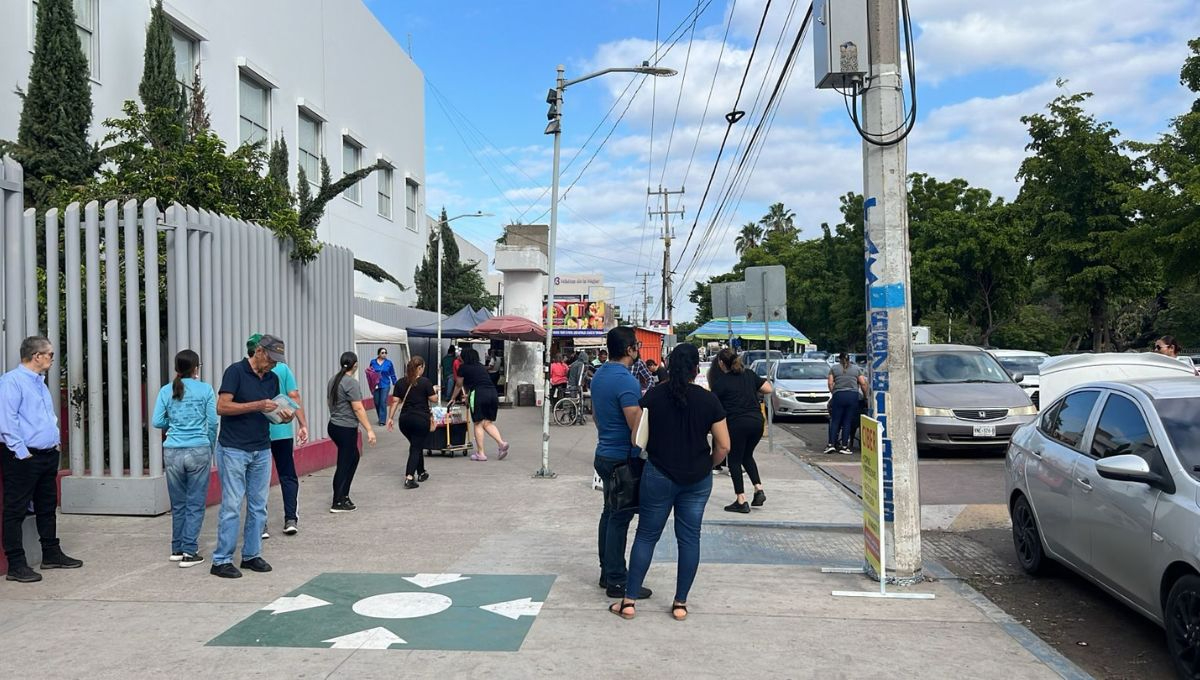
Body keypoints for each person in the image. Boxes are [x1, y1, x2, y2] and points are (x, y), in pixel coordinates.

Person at [611, 343, 730, 621]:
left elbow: (636, 438)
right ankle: (680, 604)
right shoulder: (708, 400)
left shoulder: (653, 395)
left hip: (659, 474)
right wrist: (708, 464)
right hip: (697, 479)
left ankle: (628, 602)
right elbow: (723, 445)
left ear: (670, 364)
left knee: (646, 535)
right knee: (689, 539)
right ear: (695, 369)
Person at [0, 336, 82, 583]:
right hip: (23, 457)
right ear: (37, 356)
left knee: (47, 506)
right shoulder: (11, 382)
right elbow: (7, 420)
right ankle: (16, 563)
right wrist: (22, 452)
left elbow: (45, 417)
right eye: (50, 354)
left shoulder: (39, 383)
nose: (52, 359)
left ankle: (51, 553)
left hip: (46, 455)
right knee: (15, 510)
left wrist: (54, 444)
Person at [212, 334, 291, 579]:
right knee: (232, 504)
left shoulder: (273, 379)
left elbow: (273, 410)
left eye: (278, 360)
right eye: (271, 358)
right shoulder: (235, 372)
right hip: (234, 447)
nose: (274, 364)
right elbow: (222, 407)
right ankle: (221, 560)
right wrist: (256, 405)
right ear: (259, 352)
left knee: (259, 505)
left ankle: (251, 555)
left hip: (262, 447)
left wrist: (284, 416)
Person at [591, 327, 651, 600]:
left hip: (603, 453)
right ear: (629, 349)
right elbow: (635, 427)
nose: (638, 349)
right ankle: (617, 580)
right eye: (637, 345)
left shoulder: (600, 374)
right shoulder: (626, 381)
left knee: (609, 513)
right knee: (619, 517)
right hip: (621, 458)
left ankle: (607, 572)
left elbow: (596, 416)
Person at [152, 349, 218, 568]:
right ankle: (190, 551)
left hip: (172, 451)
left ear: (176, 368)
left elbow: (157, 421)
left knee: (178, 503)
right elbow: (213, 422)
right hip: (198, 448)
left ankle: (177, 548)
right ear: (196, 368)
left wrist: (174, 424)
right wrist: (210, 445)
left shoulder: (165, 391)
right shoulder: (205, 389)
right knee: (196, 503)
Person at [706, 349, 772, 513]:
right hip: (757, 423)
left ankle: (741, 500)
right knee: (747, 456)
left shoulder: (721, 382)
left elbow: (711, 403)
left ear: (721, 363)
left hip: (737, 424)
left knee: (734, 460)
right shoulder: (749, 374)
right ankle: (758, 489)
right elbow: (768, 389)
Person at [327, 352, 378, 512]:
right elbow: (358, 407)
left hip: (334, 425)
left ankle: (344, 495)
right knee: (344, 462)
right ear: (355, 365)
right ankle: (338, 501)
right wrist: (369, 429)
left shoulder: (334, 379)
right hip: (345, 428)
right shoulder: (351, 383)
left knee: (353, 457)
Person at [266, 349, 309, 538]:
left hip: (259, 434)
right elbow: (294, 396)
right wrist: (303, 424)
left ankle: (261, 525)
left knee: (258, 480)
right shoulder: (282, 369)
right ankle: (290, 518)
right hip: (282, 430)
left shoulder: (249, 372)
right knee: (288, 475)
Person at [388, 356, 438, 489]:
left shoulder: (400, 382)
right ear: (420, 367)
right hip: (420, 419)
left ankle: (421, 472)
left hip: (404, 420)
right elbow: (433, 399)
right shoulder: (425, 382)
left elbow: (394, 402)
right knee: (416, 447)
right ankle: (409, 477)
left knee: (416, 444)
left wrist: (390, 418)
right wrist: (435, 390)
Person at [450, 348, 509, 461]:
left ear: (464, 357)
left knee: (478, 423)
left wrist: (453, 398)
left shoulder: (463, 367)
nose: (459, 357)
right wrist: (468, 396)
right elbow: (477, 381)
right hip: (492, 393)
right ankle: (501, 443)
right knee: (487, 422)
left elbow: (458, 385)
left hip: (479, 394)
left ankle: (480, 453)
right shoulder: (481, 366)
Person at [827, 352, 868, 455]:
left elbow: (830, 383)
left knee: (835, 421)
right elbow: (863, 383)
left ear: (839, 359)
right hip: (852, 396)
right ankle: (845, 446)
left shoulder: (834, 368)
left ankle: (831, 445)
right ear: (849, 359)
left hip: (839, 396)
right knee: (847, 422)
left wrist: (834, 392)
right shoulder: (856, 369)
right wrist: (865, 396)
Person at [368, 348, 396, 427]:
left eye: (385, 352)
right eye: (382, 352)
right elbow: (370, 372)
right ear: (379, 354)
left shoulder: (389, 363)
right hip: (376, 385)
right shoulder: (373, 362)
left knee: (383, 401)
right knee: (377, 402)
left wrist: (395, 383)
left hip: (385, 384)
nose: (384, 354)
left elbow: (392, 374)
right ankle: (380, 416)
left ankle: (382, 420)